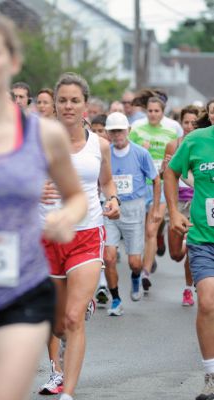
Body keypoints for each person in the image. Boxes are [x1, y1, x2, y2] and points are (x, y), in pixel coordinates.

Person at [0, 12, 88, 400]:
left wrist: (66, 216)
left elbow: (75, 196)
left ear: (12, 62)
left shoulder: (42, 134)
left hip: (22, 289)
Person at [39, 72, 120, 400]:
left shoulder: (99, 145)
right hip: (48, 235)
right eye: (63, 100)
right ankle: (70, 315)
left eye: (75, 100)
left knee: (73, 319)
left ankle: (67, 393)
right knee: (57, 323)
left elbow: (108, 183)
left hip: (87, 234)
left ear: (85, 105)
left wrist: (112, 199)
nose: (68, 106)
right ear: (55, 105)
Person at [164, 115, 214, 400]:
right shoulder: (196, 140)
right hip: (203, 239)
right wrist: (173, 211)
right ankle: (211, 377)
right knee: (207, 302)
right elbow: (170, 172)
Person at [103, 112, 160, 316]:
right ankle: (116, 299)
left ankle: (136, 277)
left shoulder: (140, 153)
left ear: (128, 131)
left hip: (134, 208)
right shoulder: (105, 153)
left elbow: (155, 179)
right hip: (110, 208)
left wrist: (153, 208)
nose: (117, 134)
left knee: (134, 262)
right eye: (113, 131)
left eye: (120, 130)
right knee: (109, 258)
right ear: (108, 133)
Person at [130, 96, 177, 292]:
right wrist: (142, 150)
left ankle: (145, 273)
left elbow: (175, 158)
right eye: (150, 111)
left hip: (162, 185)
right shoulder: (137, 130)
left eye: (157, 111)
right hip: (141, 186)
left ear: (162, 112)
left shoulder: (170, 131)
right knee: (141, 232)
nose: (153, 114)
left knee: (151, 230)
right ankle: (144, 258)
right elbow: (129, 153)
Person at [162, 105, 199, 306]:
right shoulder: (173, 145)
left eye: (194, 123)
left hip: (196, 202)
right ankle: (186, 244)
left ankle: (188, 288)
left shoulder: (202, 144)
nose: (190, 126)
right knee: (176, 254)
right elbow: (165, 175)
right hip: (177, 202)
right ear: (181, 124)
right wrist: (165, 168)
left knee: (193, 249)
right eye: (186, 122)